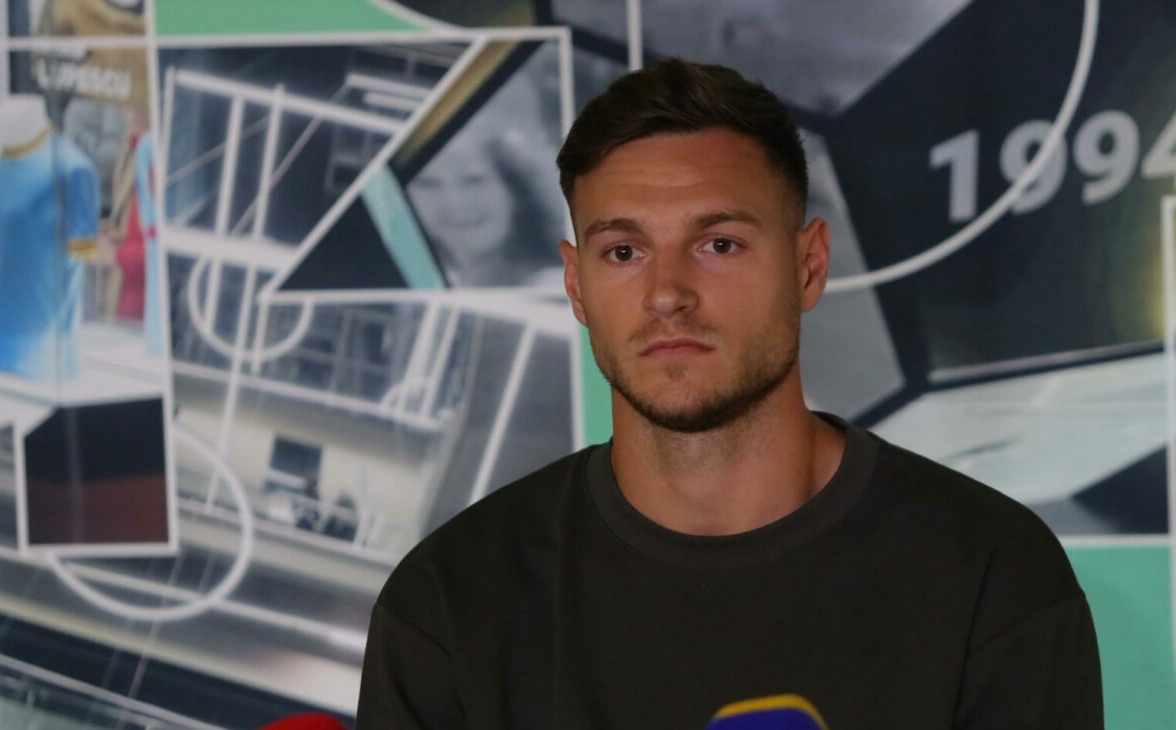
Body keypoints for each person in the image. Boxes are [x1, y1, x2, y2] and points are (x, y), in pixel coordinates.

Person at [357, 59, 1103, 729]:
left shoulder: (991, 575)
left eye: (719, 244)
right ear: (577, 286)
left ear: (809, 267)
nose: (667, 293)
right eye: (624, 251)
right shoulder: (450, 605)